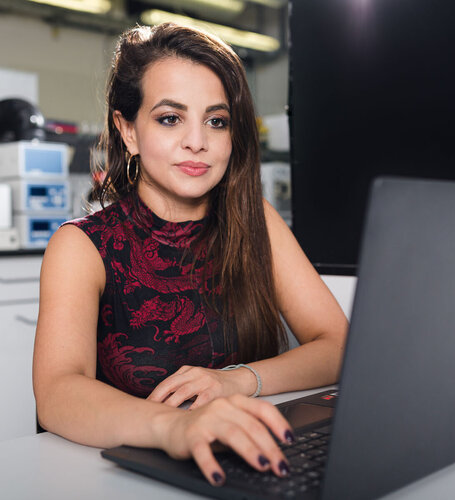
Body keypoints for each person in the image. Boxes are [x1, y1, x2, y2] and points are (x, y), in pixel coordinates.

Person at [33, 23, 348, 486]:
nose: (197, 141)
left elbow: (338, 345)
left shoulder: (255, 221)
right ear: (128, 131)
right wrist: (177, 427)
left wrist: (236, 380)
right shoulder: (82, 246)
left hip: (244, 463)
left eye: (216, 121)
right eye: (169, 118)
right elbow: (58, 393)